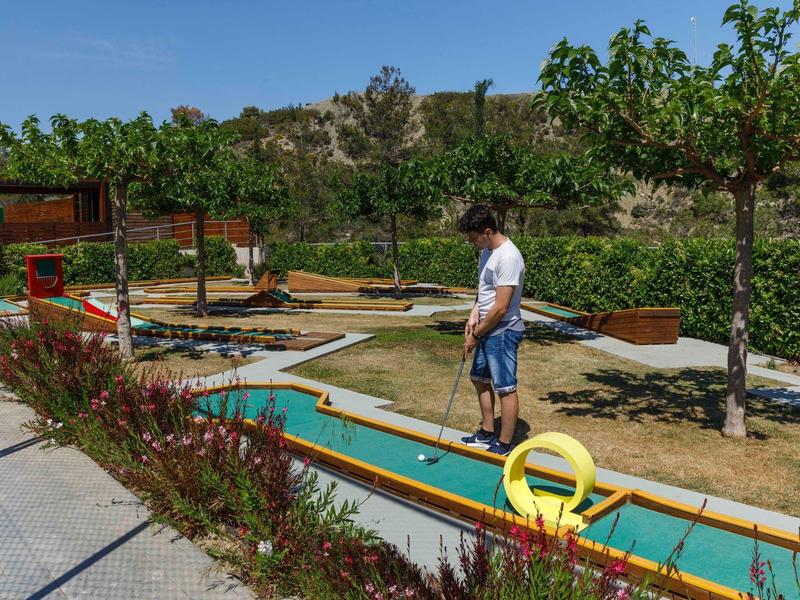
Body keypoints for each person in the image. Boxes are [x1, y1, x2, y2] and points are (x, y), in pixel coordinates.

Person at [458, 205, 526, 456]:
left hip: (503, 330)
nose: (472, 242)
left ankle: (505, 444)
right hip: (486, 328)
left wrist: (475, 336)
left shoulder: (508, 257)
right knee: (479, 378)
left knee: (505, 388)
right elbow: (484, 291)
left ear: (488, 231)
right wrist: (473, 314)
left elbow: (500, 307)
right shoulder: (487, 251)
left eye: (474, 238)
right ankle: (487, 433)